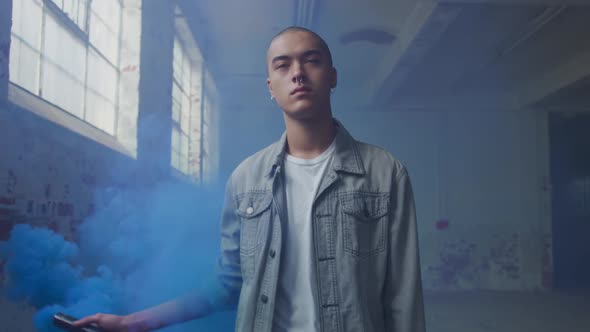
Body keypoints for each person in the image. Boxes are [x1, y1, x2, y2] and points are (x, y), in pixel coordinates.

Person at [74, 26, 425, 332]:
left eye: (311, 60)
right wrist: (131, 323)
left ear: (332, 77)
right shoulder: (246, 180)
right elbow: (226, 285)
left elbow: (402, 295)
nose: (298, 73)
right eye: (283, 65)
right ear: (270, 86)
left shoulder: (384, 172)